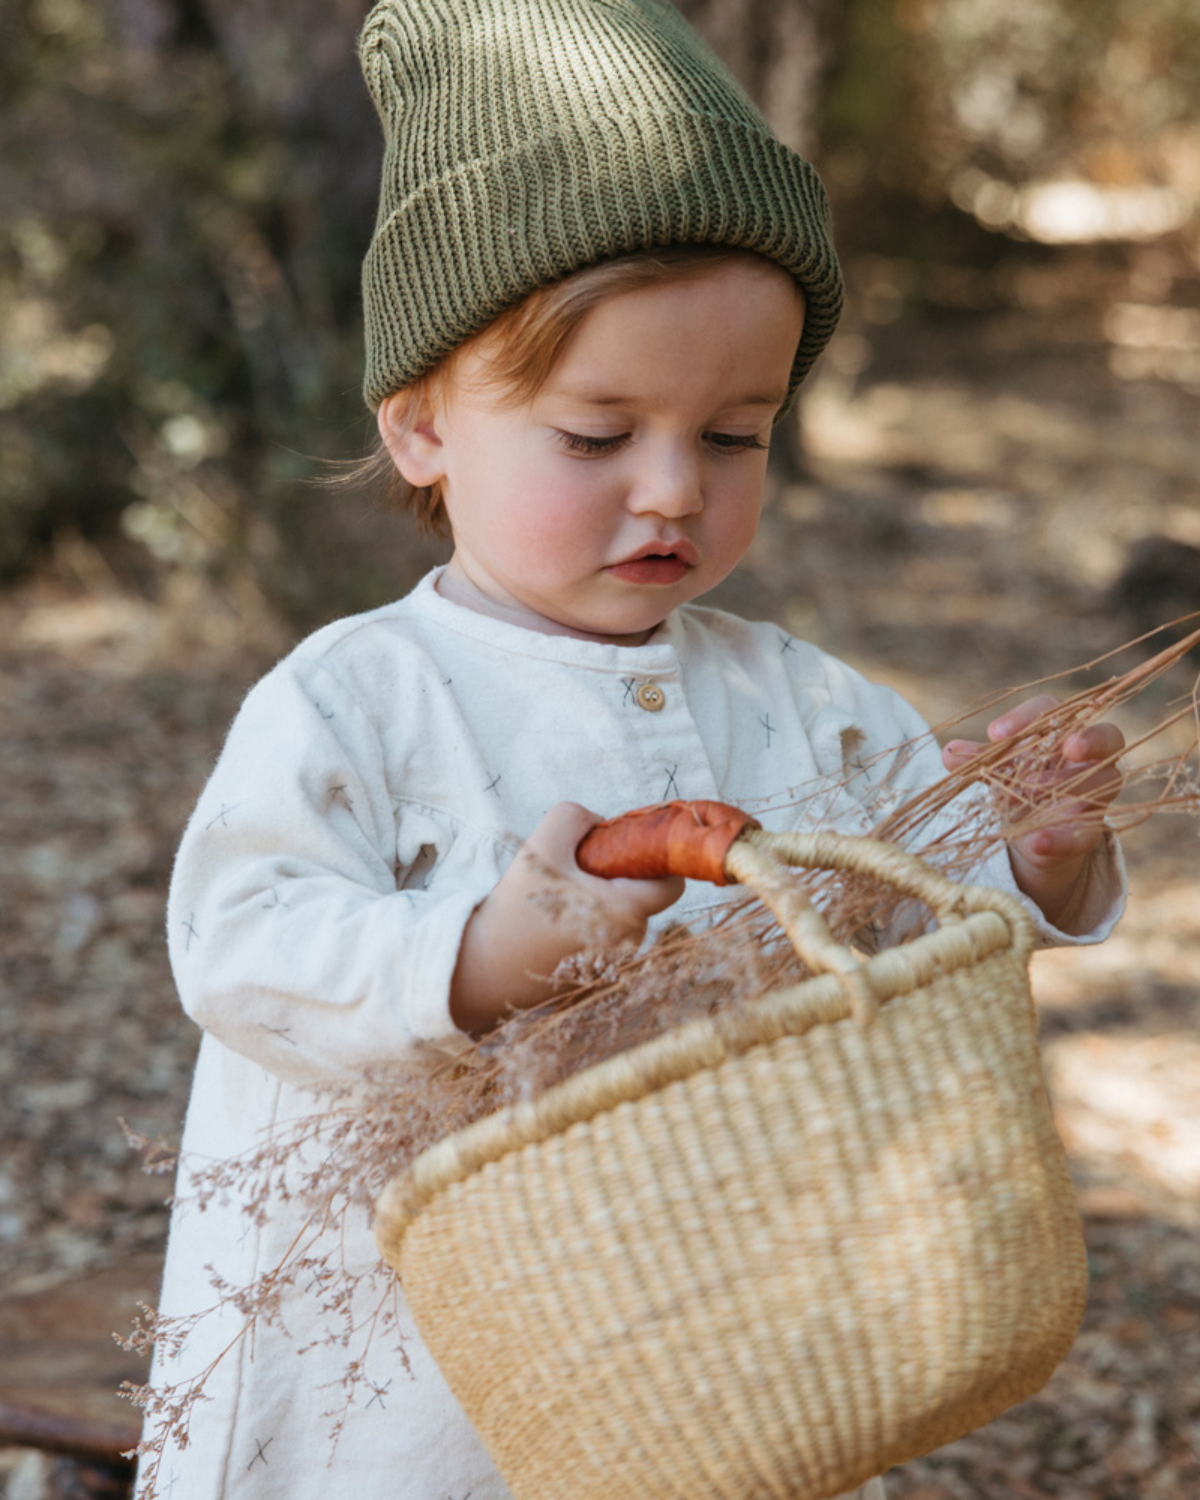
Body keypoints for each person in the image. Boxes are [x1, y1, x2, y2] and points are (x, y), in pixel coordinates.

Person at [138, 1, 1127, 1496]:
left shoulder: (803, 697)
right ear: (420, 426)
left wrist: (1036, 853)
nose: (672, 491)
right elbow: (242, 946)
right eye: (597, 438)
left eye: (735, 435)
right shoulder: (362, 696)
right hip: (403, 1379)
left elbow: (909, 904)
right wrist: (474, 958)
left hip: (704, 1336)